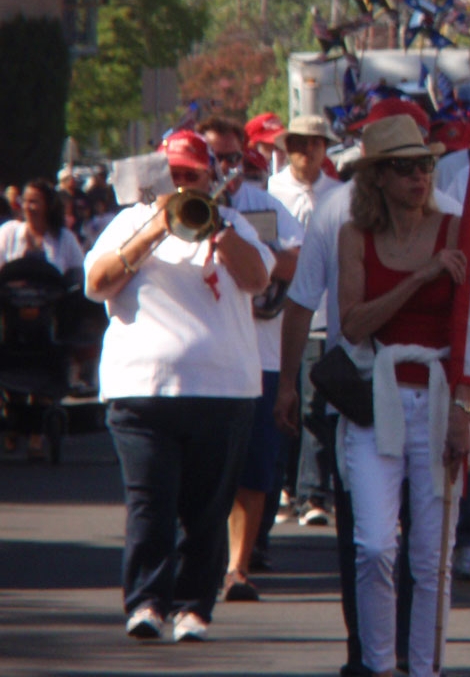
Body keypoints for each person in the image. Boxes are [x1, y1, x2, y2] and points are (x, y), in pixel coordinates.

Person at [85, 129, 274, 643]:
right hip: (140, 390)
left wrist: (221, 234)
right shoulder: (127, 222)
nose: (182, 182)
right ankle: (146, 602)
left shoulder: (233, 224)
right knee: (151, 502)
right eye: (173, 175)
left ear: (211, 177)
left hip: (224, 391)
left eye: (192, 174)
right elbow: (96, 284)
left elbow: (259, 281)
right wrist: (152, 231)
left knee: (207, 510)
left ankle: (193, 608)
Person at [337, 115, 470, 677]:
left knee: (431, 558)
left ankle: (425, 669)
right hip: (380, 399)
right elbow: (352, 323)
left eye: (426, 165)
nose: (420, 176)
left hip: (441, 398)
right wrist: (420, 277)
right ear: (378, 178)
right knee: (373, 546)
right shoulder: (354, 236)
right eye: (405, 167)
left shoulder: (457, 230)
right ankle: (379, 666)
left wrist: (466, 406)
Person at [198, 116, 304, 599]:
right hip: (201, 361)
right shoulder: (169, 205)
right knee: (204, 470)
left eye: (232, 157)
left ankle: (238, 568)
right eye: (214, 157)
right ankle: (202, 560)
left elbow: (298, 261)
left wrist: (250, 252)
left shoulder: (264, 205)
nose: (224, 166)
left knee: (255, 468)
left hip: (257, 354)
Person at [1, 179, 88, 459]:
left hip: (48, 318)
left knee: (48, 360)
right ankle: (14, 419)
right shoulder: (9, 233)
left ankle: (37, 433)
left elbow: (77, 273)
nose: (29, 207)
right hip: (11, 316)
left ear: (48, 205)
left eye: (35, 201)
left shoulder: (64, 239)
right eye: (25, 201)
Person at [268, 115, 343, 225]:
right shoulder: (270, 189)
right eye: (301, 142)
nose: (308, 149)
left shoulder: (338, 194)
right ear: (288, 147)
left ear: (325, 149)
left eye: (315, 143)